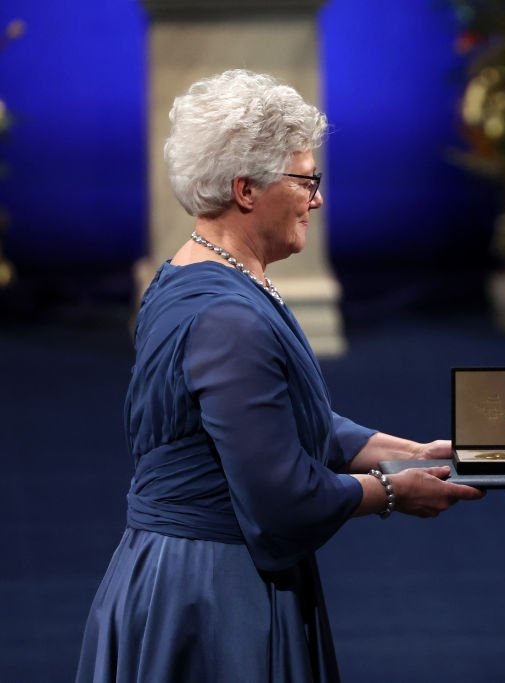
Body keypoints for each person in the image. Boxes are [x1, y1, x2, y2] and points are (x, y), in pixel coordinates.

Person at [75, 69, 484, 683]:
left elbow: (270, 413)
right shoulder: (226, 317)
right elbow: (283, 502)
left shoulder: (195, 275)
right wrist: (396, 492)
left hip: (188, 575)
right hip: (210, 601)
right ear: (246, 189)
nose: (317, 199)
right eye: (306, 180)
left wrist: (400, 451)